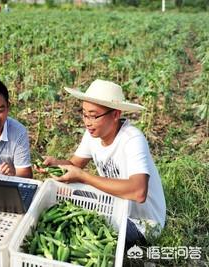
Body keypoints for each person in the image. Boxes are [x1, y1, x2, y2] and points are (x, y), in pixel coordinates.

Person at [38, 79, 166, 249]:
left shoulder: (132, 139)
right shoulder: (92, 134)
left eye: (94, 115)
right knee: (61, 219)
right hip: (114, 207)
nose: (87, 122)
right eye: (84, 114)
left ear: (115, 115)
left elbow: (138, 191)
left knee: (79, 238)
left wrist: (83, 177)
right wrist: (56, 163)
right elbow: (74, 164)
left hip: (142, 223)